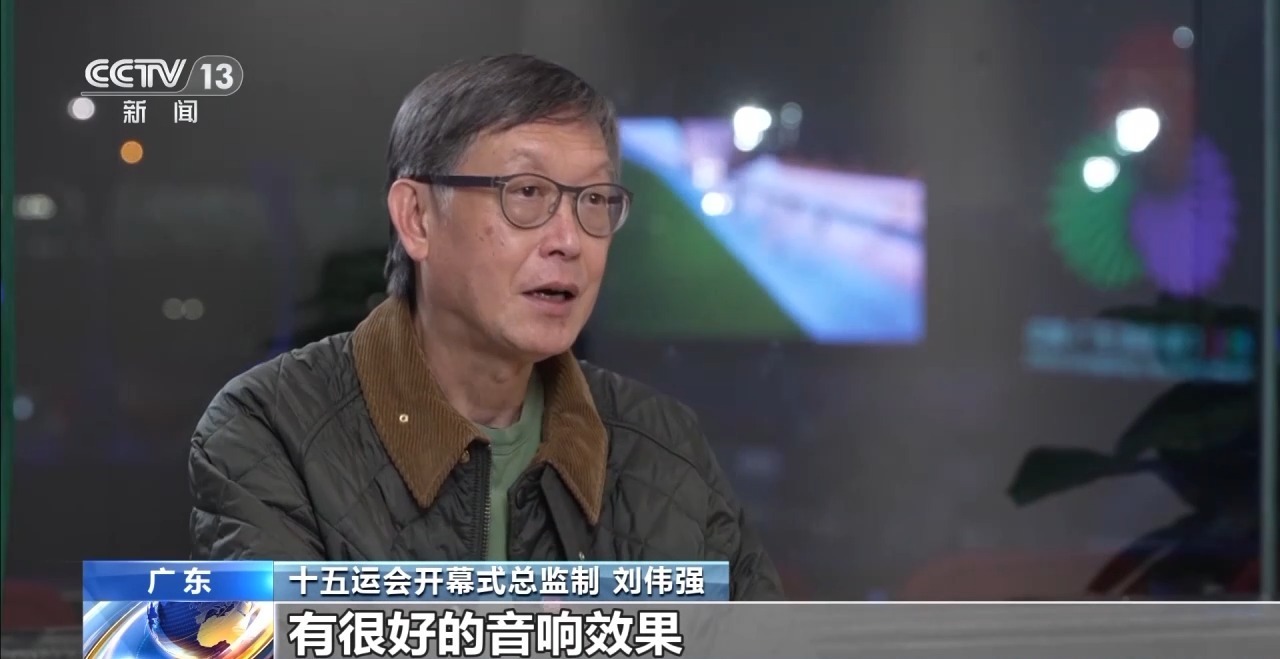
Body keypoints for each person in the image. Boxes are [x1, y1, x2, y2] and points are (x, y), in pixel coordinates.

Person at [188, 54, 784, 600]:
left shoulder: (665, 445)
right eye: (526, 193)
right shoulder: (272, 429)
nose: (570, 240)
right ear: (417, 218)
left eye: (594, 200)